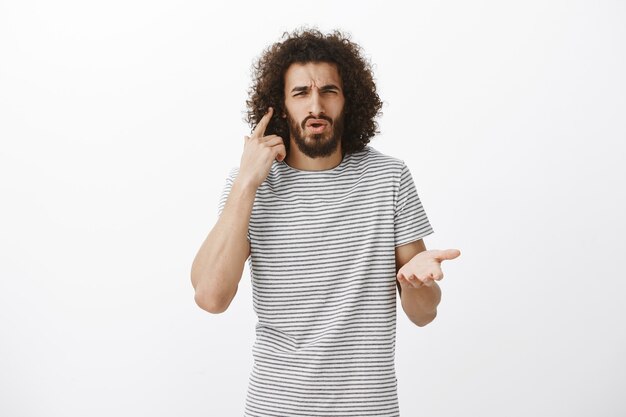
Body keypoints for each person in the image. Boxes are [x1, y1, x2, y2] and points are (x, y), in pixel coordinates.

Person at [191, 27, 461, 417]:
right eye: (301, 93)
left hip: (369, 408)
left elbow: (424, 313)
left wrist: (415, 282)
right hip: (276, 407)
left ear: (347, 100)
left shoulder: (389, 178)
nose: (315, 106)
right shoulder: (248, 186)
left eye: (329, 91)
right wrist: (248, 181)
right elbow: (210, 298)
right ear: (280, 107)